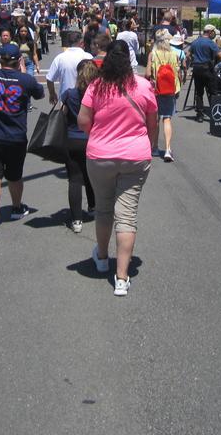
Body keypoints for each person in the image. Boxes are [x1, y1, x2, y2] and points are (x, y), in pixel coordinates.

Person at [78, 39, 158, 296]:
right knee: (127, 215)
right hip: (135, 155)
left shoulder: (96, 87)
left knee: (103, 208)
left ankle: (102, 257)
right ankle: (122, 277)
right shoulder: (144, 87)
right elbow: (152, 122)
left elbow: (83, 121)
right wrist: (150, 145)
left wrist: (98, 135)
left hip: (100, 155)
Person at [0, 44, 44, 235]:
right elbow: (40, 93)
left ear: (0, 60)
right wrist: (23, 72)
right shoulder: (25, 80)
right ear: (19, 60)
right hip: (16, 135)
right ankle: (16, 207)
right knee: (15, 175)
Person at [60, 59, 100, 232]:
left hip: (72, 138)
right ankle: (93, 207)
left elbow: (63, 114)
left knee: (75, 179)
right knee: (92, 176)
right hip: (92, 139)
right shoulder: (98, 95)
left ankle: (76, 219)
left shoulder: (69, 94)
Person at [148, 29, 182, 162]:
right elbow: (178, 73)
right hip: (170, 90)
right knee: (167, 119)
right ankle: (168, 149)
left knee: (155, 119)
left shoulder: (153, 54)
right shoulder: (174, 54)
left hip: (156, 90)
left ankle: (155, 147)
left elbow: (147, 74)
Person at [46, 29, 93, 105]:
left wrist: (52, 93)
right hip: (85, 100)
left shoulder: (60, 58)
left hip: (65, 101)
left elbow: (49, 79)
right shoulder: (88, 57)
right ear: (81, 43)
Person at [189, 24, 220, 122]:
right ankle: (215, 113)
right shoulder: (210, 43)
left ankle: (200, 114)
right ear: (210, 32)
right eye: (214, 32)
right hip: (207, 68)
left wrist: (193, 60)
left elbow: (188, 54)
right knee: (212, 92)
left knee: (199, 92)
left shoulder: (195, 42)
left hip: (197, 68)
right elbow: (219, 55)